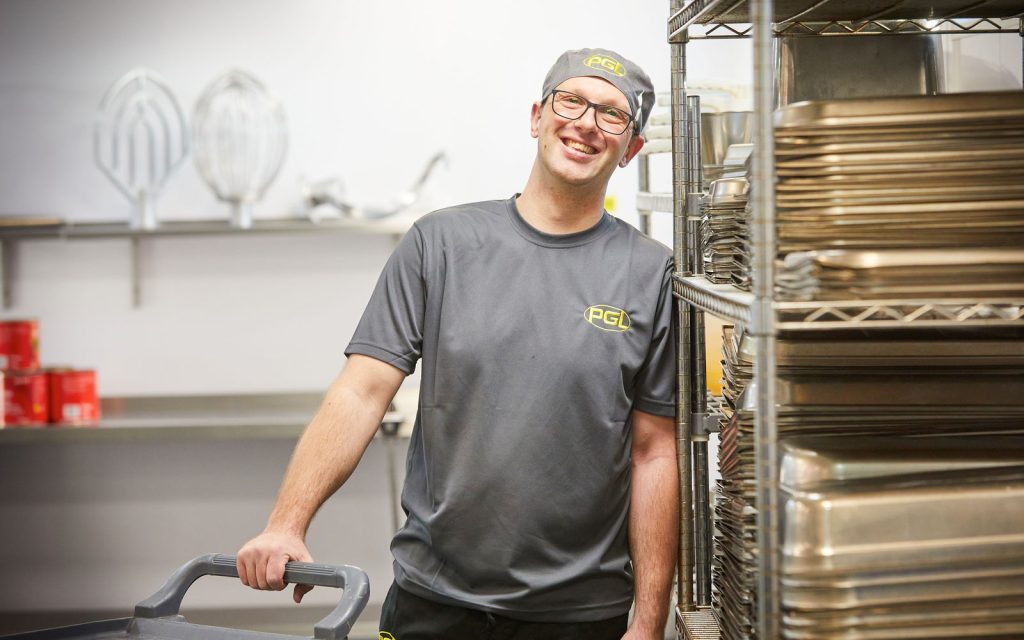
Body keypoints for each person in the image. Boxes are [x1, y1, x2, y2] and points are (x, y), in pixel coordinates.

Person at [237, 47, 679, 640]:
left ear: (631, 151)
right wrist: (285, 523)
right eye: (571, 100)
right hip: (434, 599)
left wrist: (649, 621)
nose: (586, 123)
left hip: (578, 613)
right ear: (536, 116)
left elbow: (655, 452)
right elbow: (361, 392)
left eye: (613, 115)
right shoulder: (439, 244)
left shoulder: (652, 275)